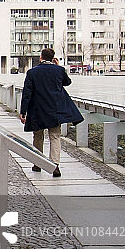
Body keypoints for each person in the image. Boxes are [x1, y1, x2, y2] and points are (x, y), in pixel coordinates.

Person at [19, 48, 84, 177]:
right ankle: (55, 166)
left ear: (41, 57)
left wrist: (23, 112)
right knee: (55, 137)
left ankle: (38, 163)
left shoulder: (32, 72)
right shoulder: (58, 70)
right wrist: (58, 67)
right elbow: (67, 82)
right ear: (52, 58)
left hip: (37, 110)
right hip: (54, 110)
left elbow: (27, 93)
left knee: (38, 136)